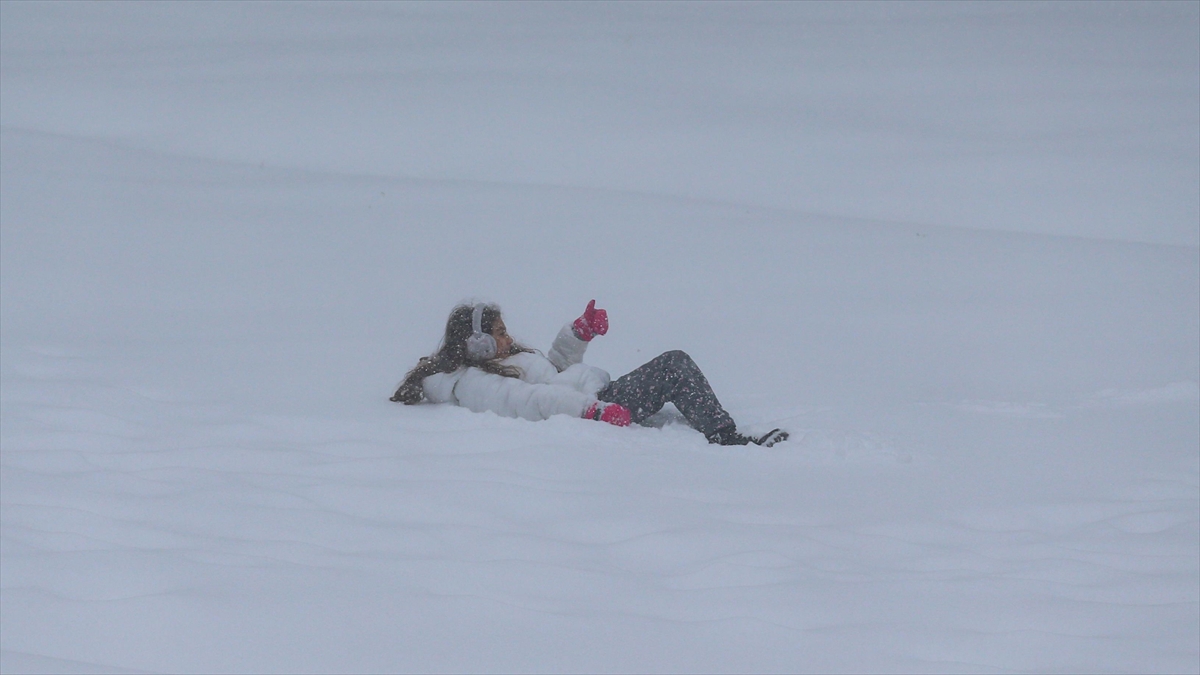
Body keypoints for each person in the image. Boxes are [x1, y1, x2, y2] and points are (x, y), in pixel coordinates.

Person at [391, 300, 788, 447]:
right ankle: (725, 436)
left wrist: (577, 334)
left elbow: (555, 372)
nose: (508, 337)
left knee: (673, 366)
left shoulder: (503, 362)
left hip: (598, 393)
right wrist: (591, 411)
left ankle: (719, 429)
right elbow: (532, 401)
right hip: (599, 402)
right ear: (475, 343)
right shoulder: (474, 383)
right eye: (498, 333)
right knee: (674, 364)